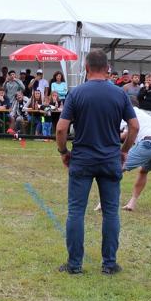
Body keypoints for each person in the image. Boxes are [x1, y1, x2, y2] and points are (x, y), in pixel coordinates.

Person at [56, 49, 138, 275]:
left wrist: (63, 151)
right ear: (108, 68)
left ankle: (74, 264)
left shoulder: (77, 93)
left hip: (82, 159)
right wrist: (124, 150)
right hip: (109, 158)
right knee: (111, 212)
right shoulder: (120, 94)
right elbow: (134, 126)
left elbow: (62, 128)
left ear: (86, 67)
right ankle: (109, 264)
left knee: (76, 211)